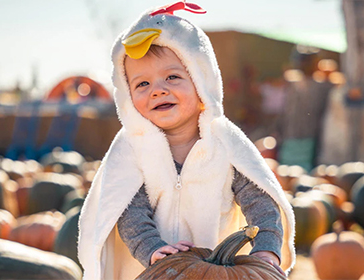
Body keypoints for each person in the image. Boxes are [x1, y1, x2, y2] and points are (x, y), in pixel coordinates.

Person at [78, 2, 296, 279]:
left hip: (217, 270)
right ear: (127, 95)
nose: (158, 90)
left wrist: (266, 249)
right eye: (142, 84)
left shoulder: (224, 145)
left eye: (172, 77)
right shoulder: (133, 150)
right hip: (151, 271)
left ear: (201, 81)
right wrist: (152, 249)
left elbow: (260, 202)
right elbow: (128, 211)